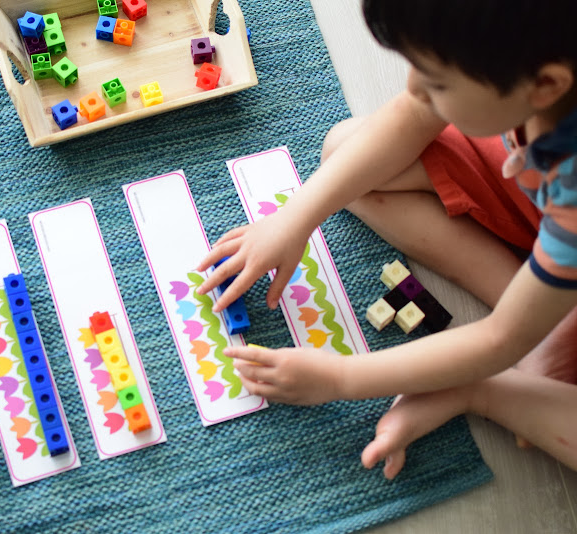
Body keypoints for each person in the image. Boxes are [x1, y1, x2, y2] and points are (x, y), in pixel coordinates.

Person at [196, 0, 577, 479]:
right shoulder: (536, 63)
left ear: (545, 84)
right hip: (539, 186)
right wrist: (292, 219)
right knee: (345, 150)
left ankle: (485, 387)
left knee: (527, 367)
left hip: (564, 207)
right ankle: (537, 305)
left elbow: (499, 341)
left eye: (438, 80)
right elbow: (415, 109)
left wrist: (340, 377)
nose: (414, 85)